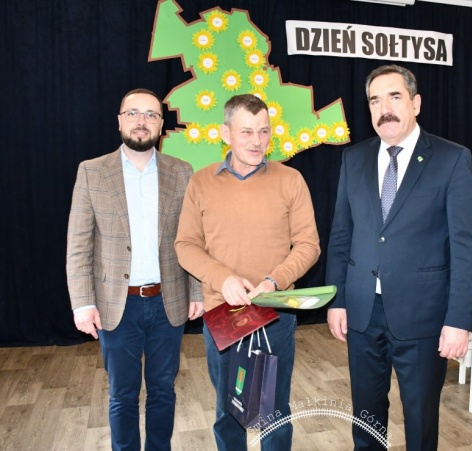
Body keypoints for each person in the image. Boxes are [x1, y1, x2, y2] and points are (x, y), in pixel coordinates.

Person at [325, 65, 472, 450]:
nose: (385, 109)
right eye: (375, 101)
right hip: (362, 313)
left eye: (394, 97)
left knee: (420, 419)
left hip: (423, 316)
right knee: (365, 418)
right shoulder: (353, 159)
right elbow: (342, 235)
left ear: (416, 103)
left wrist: (459, 321)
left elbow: (466, 247)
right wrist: (337, 300)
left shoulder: (451, 159)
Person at [174, 94, 321, 450]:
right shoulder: (201, 182)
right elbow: (186, 245)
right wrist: (223, 279)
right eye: (246, 132)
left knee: (274, 412)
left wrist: (274, 281)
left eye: (264, 131)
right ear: (226, 133)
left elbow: (309, 245)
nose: (257, 141)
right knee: (228, 412)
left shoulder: (291, 180)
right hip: (222, 316)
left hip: (275, 314)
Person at [66, 88, 204, 451]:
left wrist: (197, 291)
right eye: (133, 113)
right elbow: (79, 245)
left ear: (160, 124)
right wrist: (82, 303)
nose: (141, 121)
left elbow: (193, 238)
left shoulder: (182, 172)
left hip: (167, 302)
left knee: (163, 391)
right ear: (119, 121)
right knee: (122, 395)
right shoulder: (92, 172)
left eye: (150, 115)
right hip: (116, 305)